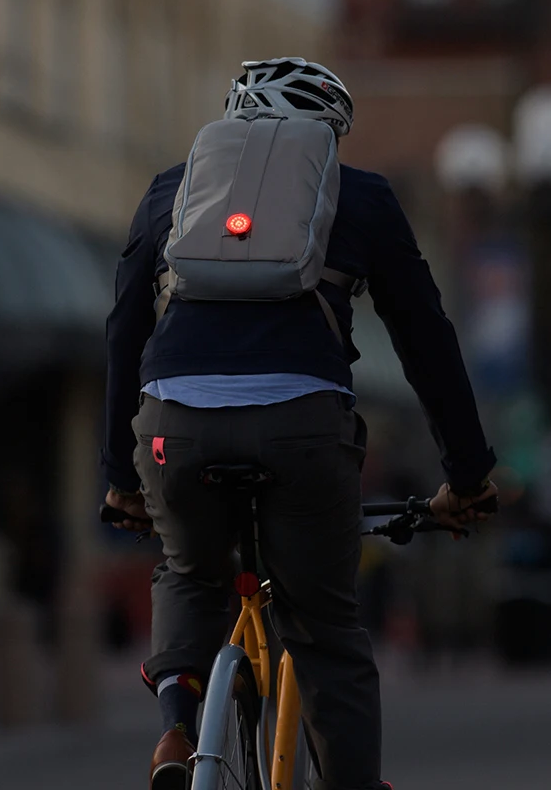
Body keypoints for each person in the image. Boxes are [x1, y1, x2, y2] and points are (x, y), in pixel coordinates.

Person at [102, 57, 497, 790]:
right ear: (327, 132)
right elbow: (426, 340)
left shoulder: (172, 188)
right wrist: (466, 475)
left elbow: (125, 328)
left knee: (190, 569)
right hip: (302, 427)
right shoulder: (363, 195)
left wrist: (119, 478)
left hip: (172, 427)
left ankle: (176, 731)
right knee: (324, 629)